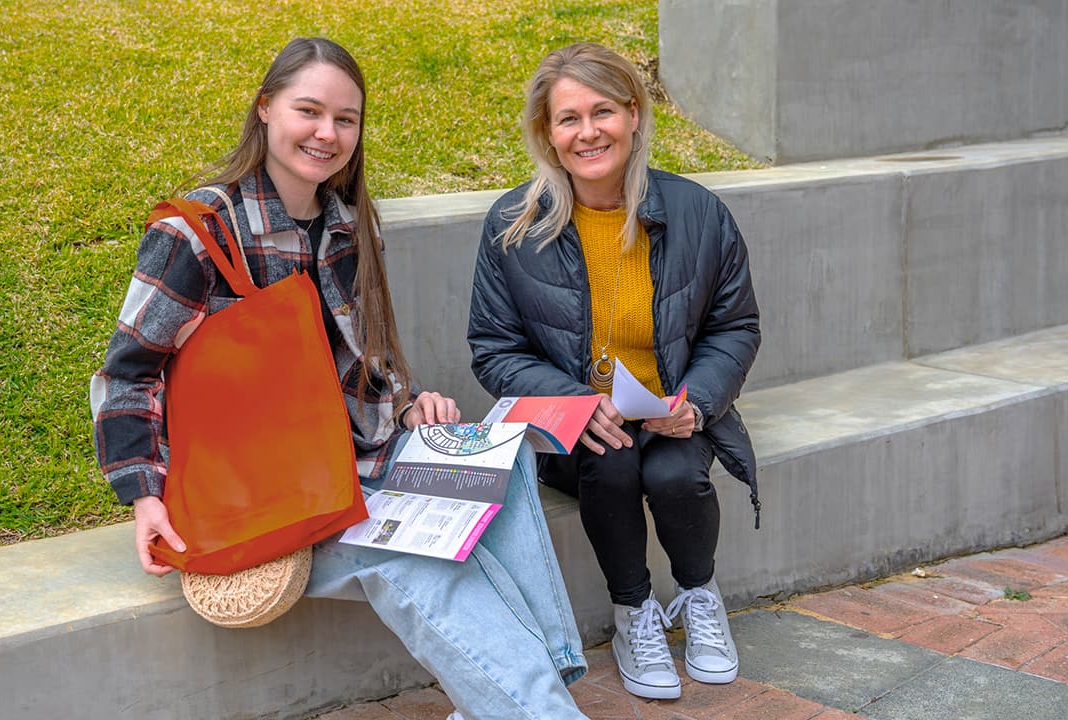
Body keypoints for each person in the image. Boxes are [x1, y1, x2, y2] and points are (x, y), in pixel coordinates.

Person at [90, 38, 589, 720]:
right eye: (309, 111)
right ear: (265, 109)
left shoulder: (347, 223)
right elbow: (128, 371)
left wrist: (407, 406)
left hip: (353, 462)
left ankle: (526, 694)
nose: (327, 133)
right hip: (265, 497)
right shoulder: (199, 232)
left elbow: (352, 365)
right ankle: (542, 711)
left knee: (504, 459)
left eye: (346, 119)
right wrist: (142, 493)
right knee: (418, 560)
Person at [467, 43, 761, 701]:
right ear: (547, 132)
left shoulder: (696, 213)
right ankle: (634, 613)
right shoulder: (514, 225)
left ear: (633, 113)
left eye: (602, 111)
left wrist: (699, 400)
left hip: (671, 407)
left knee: (677, 473)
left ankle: (697, 595)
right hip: (574, 425)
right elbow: (494, 347)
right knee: (612, 458)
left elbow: (734, 326)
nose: (587, 131)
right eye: (567, 118)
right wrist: (573, 398)